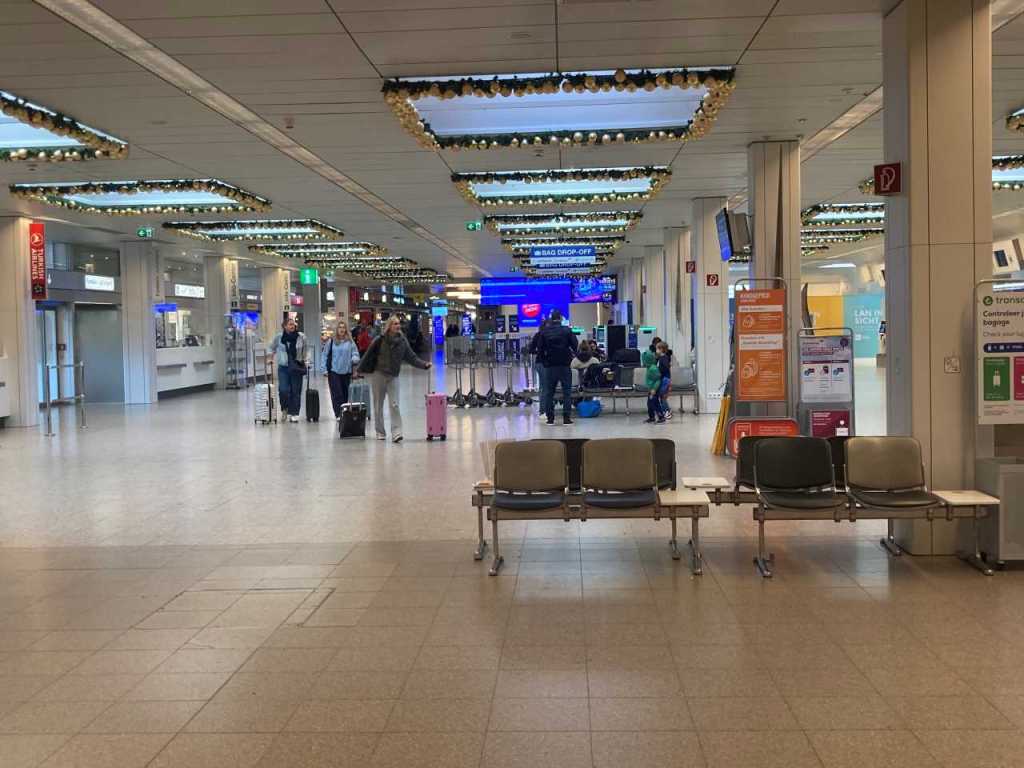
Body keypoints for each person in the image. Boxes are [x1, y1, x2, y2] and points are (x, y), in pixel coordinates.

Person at [356, 315, 431, 443]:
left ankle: (397, 432)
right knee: (378, 405)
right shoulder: (380, 340)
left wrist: (424, 365)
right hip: (379, 374)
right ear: (389, 326)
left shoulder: (402, 341)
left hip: (393, 376)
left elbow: (411, 357)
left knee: (394, 404)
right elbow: (368, 355)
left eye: (398, 324)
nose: (398, 326)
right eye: (395, 324)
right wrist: (358, 370)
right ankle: (380, 432)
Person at [535, 309, 578, 426]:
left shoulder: (545, 332)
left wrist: (545, 362)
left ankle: (550, 419)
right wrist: (571, 356)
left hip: (550, 366)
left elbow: (540, 349)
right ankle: (566, 418)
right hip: (564, 365)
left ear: (551, 319)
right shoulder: (567, 330)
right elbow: (575, 345)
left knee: (549, 393)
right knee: (567, 392)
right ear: (561, 318)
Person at [268, 317, 309, 423]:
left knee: (296, 391)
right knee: (283, 390)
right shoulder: (279, 337)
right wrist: (270, 358)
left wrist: (307, 361)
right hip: (283, 368)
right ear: (284, 326)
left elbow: (306, 350)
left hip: (296, 367)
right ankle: (285, 408)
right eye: (290, 324)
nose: (292, 326)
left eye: (293, 324)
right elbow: (271, 347)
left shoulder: (301, 337)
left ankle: (294, 413)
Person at [320, 320, 360, 421]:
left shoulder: (350, 342)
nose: (342, 329)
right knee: (337, 393)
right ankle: (338, 413)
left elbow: (355, 353)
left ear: (346, 329)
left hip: (346, 371)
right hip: (334, 371)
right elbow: (324, 355)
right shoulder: (331, 341)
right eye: (340, 327)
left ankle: (344, 411)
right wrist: (324, 369)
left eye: (343, 327)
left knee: (345, 393)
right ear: (337, 329)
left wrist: (354, 358)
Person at [642, 349, 664, 424]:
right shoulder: (649, 368)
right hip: (651, 389)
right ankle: (652, 417)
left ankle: (661, 417)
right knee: (649, 404)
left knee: (655, 403)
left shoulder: (653, 368)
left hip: (654, 390)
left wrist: (654, 389)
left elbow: (658, 380)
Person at [656, 341, 673, 421]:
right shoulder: (660, 358)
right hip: (663, 379)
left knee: (662, 396)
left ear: (661, 349)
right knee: (661, 396)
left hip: (665, 379)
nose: (656, 350)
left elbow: (666, 369)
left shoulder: (664, 358)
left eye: (657, 349)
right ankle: (666, 410)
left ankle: (667, 411)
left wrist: (669, 382)